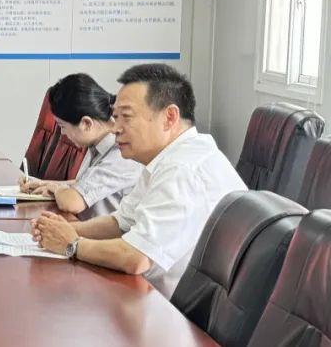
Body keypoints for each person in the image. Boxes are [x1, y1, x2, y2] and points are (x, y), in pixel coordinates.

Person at [32, 64, 246, 298]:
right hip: (146, 296)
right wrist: (64, 230)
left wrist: (72, 243)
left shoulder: (182, 170)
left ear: (169, 117)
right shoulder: (163, 160)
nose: (116, 128)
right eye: (115, 117)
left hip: (171, 310)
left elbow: (136, 257)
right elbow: (120, 223)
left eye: (126, 117)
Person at [21, 73, 141, 218]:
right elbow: (84, 183)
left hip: (100, 231)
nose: (62, 133)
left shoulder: (121, 153)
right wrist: (42, 184)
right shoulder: (97, 142)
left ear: (86, 123)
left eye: (62, 126)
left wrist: (55, 189)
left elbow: (72, 202)